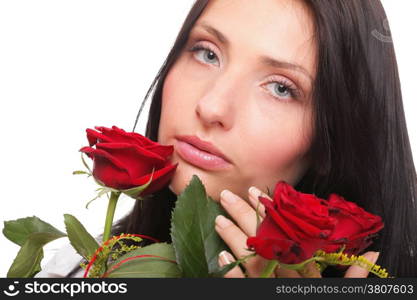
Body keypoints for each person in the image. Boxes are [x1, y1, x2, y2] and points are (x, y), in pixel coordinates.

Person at [38, 0, 417, 278]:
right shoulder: (71, 272)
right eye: (207, 53)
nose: (212, 106)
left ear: (331, 142)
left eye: (281, 88)